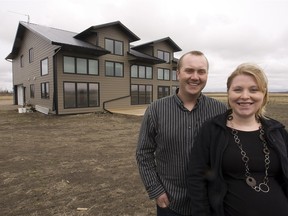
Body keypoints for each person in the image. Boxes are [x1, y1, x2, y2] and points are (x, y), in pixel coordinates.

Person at [187, 63, 288, 216]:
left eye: (254, 90)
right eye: (238, 89)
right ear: (229, 93)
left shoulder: (277, 131)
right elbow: (196, 178)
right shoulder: (212, 130)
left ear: (264, 94)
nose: (245, 96)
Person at [136, 50, 227, 216]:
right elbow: (144, 153)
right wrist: (155, 190)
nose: (195, 77)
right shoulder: (156, 109)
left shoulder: (220, 111)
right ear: (178, 73)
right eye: (189, 70)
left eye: (201, 71)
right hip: (171, 202)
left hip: (211, 202)